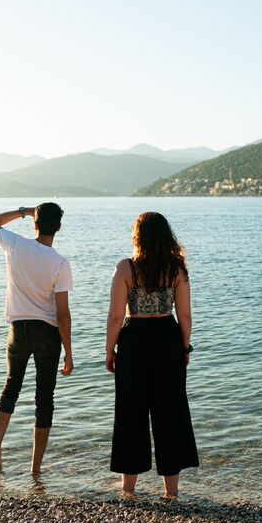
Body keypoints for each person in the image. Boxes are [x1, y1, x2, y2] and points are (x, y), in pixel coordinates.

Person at [105, 211, 199, 497]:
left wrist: (109, 351)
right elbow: (184, 314)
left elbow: (115, 316)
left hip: (134, 340)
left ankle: (128, 488)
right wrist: (184, 347)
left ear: (139, 237)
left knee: (130, 413)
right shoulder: (176, 269)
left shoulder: (126, 268)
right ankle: (171, 491)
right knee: (170, 413)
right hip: (168, 339)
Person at [0, 203, 73, 475]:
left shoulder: (16, 245)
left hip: (18, 329)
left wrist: (23, 211)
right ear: (59, 227)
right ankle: (35, 468)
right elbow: (63, 314)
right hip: (47, 332)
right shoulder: (60, 263)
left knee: (11, 387)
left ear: (35, 223)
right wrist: (69, 353)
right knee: (44, 398)